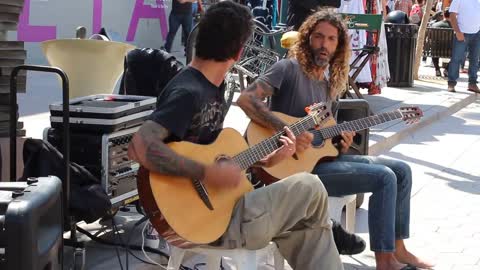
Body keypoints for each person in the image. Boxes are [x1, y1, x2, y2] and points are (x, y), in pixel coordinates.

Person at [128, 2, 344, 269]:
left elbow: (223, 157)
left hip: (229, 207)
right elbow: (140, 146)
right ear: (240, 51)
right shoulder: (187, 90)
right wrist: (205, 172)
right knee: (310, 187)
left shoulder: (213, 88)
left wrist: (271, 160)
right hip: (213, 220)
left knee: (307, 223)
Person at [237, 9, 435, 270]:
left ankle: (398, 249)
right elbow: (246, 99)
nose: (324, 44)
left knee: (401, 170)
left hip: (319, 164)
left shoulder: (330, 84)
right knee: (385, 177)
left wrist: (342, 142)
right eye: (319, 36)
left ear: (339, 45)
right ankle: (385, 262)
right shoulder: (288, 68)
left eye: (332, 39)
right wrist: (289, 130)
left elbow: (327, 144)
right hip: (293, 171)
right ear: (308, 38)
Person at [446, 0, 480, 93]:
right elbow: (452, 15)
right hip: (462, 32)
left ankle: (472, 83)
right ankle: (451, 83)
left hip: (477, 33)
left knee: (475, 59)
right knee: (456, 59)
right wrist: (457, 32)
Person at [431, 8, 452, 77]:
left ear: (443, 15)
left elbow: (430, 37)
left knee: (434, 48)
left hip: (435, 50)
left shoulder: (434, 25)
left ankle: (437, 69)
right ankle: (447, 69)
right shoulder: (454, 27)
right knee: (458, 53)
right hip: (449, 51)